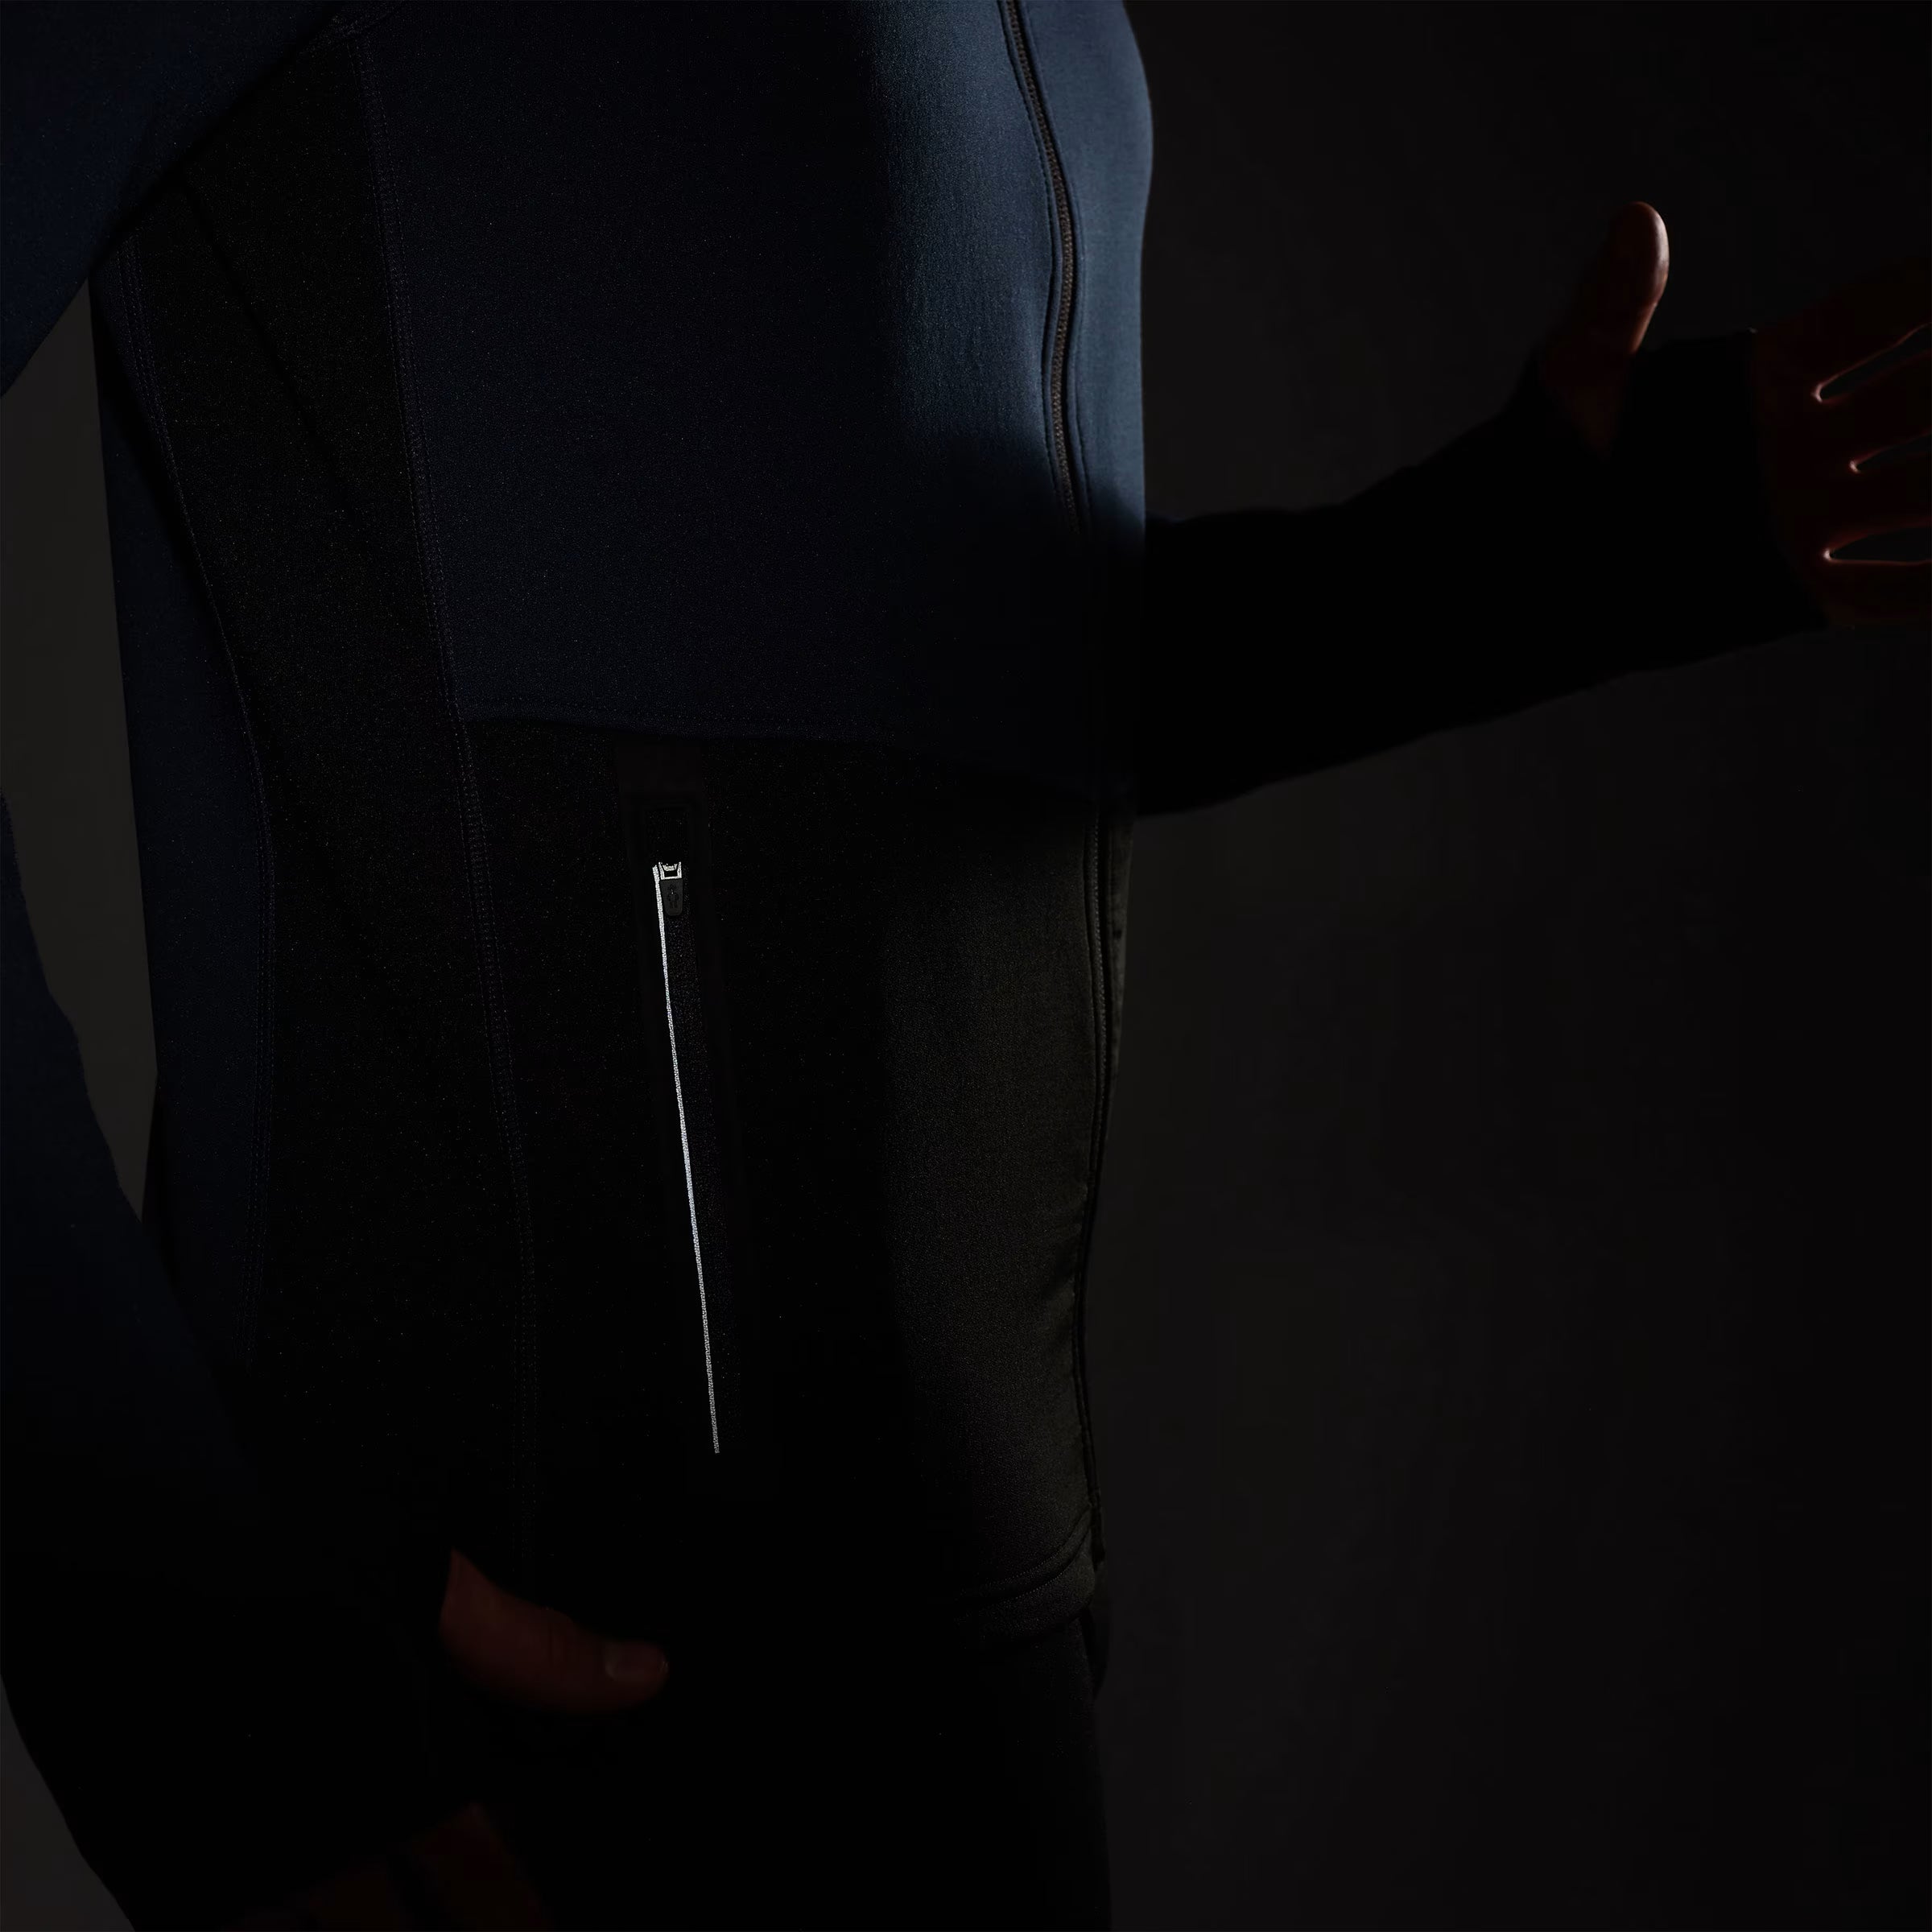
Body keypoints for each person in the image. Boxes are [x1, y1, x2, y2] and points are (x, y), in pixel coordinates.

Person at [0, 4, 1922, 1926]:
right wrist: (167, 1591)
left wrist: (1544, 557)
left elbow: (956, 684)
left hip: (976, 1642)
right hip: (522, 1694)